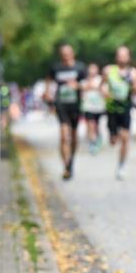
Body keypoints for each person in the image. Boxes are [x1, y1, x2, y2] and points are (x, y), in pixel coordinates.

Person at [44, 45, 86, 180]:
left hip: (76, 105)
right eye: (63, 53)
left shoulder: (80, 67)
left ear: (73, 54)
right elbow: (49, 80)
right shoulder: (56, 68)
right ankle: (65, 166)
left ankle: (71, 160)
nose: (66, 55)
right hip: (61, 104)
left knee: (73, 136)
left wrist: (78, 86)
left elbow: (87, 84)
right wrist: (47, 93)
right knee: (63, 136)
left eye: (68, 53)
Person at [103, 46, 136, 180]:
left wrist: (134, 85)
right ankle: (112, 134)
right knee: (113, 141)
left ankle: (121, 167)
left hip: (125, 109)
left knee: (125, 139)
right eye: (120, 55)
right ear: (116, 57)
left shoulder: (133, 73)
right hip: (111, 109)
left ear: (129, 57)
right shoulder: (108, 70)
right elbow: (102, 85)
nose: (122, 58)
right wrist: (104, 91)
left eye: (125, 55)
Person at [80, 63, 106, 155]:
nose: (92, 71)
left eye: (94, 69)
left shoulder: (101, 79)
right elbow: (82, 91)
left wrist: (95, 88)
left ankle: (98, 137)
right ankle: (92, 142)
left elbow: (104, 92)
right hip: (88, 107)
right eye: (90, 69)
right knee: (91, 125)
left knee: (97, 126)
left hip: (99, 107)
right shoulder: (84, 80)